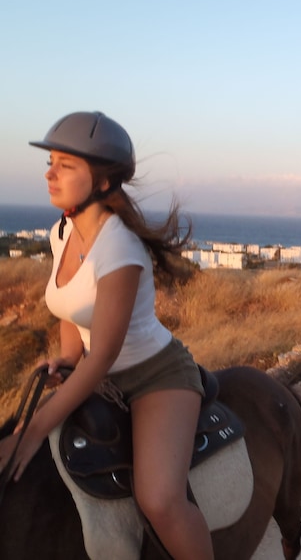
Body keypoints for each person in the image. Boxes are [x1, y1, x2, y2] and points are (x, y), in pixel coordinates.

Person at [0, 112, 213, 560]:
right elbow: (68, 309)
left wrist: (34, 430)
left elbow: (104, 356)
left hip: (155, 376)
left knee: (159, 499)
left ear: (102, 182)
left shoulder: (120, 248)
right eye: (51, 161)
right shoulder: (63, 232)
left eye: (66, 164)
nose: (49, 172)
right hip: (101, 373)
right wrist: (66, 358)